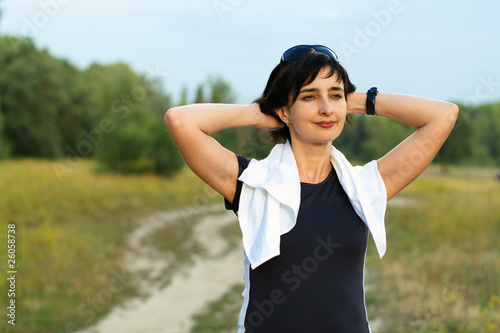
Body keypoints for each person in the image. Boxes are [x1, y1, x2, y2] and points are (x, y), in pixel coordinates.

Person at [164, 44, 458, 332]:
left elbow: (443, 115)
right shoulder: (253, 183)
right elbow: (180, 120)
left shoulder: (364, 186)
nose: (326, 109)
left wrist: (357, 101)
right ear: (284, 111)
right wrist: (261, 113)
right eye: (309, 97)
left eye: (335, 95)